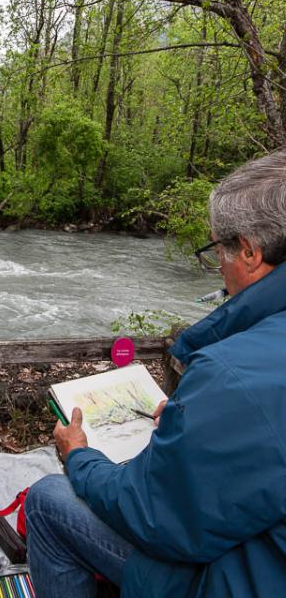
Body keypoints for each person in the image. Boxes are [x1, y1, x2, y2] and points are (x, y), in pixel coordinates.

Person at [25, 150, 286, 598]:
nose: (218, 270)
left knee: (48, 501)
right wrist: (195, 419)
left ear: (248, 251)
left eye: (215, 252)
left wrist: (80, 457)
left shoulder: (233, 372)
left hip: (238, 580)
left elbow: (155, 514)